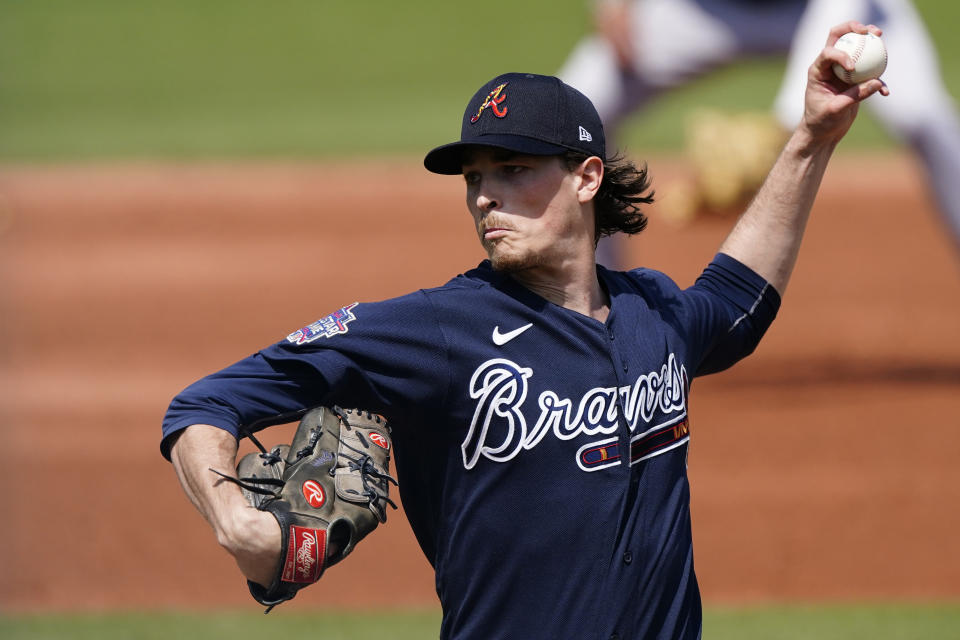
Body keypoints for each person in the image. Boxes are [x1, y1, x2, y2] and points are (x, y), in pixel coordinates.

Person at [161, 22, 887, 640]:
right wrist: (239, 523)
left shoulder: (652, 313)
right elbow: (204, 405)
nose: (484, 195)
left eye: (512, 169)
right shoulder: (437, 331)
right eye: (474, 175)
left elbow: (738, 302)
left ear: (587, 177)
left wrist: (813, 136)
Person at [559, 0, 960, 266]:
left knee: (925, 116)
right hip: (706, 10)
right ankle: (595, 315)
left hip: (831, 6)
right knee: (574, 109)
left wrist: (785, 127)